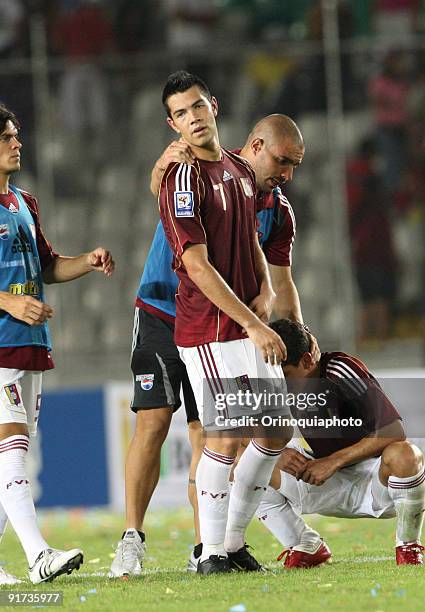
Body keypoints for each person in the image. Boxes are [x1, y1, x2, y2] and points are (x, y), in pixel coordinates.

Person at [109, 110, 311, 577]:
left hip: (227, 326)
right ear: (255, 147)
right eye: (283, 161)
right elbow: (167, 194)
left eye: (294, 166)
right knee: (154, 423)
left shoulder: (277, 210)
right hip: (164, 311)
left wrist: (295, 344)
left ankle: (209, 546)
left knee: (214, 434)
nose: (287, 175)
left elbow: (281, 281)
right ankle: (132, 537)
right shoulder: (199, 169)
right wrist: (159, 168)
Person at [159, 70, 295, 575]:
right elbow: (196, 265)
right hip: (210, 329)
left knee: (276, 428)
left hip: (243, 324)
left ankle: (233, 541)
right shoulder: (182, 178)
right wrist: (255, 324)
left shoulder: (238, 170)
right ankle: (212, 552)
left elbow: (251, 243)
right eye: (180, 113)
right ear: (171, 123)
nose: (192, 118)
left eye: (197, 107)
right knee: (226, 433)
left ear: (213, 106)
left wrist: (265, 288)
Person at [0, 103, 115, 584]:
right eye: (7, 136)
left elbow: (48, 267)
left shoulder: (25, 202)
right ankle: (37, 555)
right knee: (13, 447)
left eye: (16, 134)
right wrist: (7, 302)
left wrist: (85, 261)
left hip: (30, 343)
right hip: (2, 344)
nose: (17, 142)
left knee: (12, 454)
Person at [256, 319, 425, 567]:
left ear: (306, 360)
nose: (280, 383)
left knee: (406, 455)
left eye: (286, 375)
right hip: (322, 480)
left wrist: (333, 461)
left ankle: (408, 546)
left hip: (376, 480)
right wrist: (277, 454)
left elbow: (394, 431)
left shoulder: (340, 370)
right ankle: (305, 546)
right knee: (242, 463)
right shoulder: (273, 380)